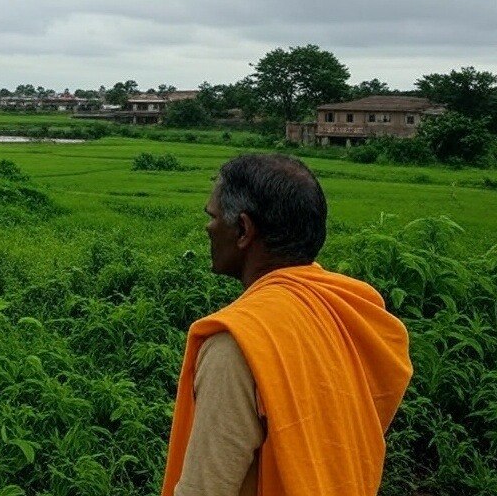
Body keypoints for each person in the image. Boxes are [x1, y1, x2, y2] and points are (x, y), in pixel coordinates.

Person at [162, 153, 413, 496]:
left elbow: (204, 489)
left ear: (244, 230)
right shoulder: (350, 311)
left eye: (214, 216)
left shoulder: (236, 346)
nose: (208, 227)